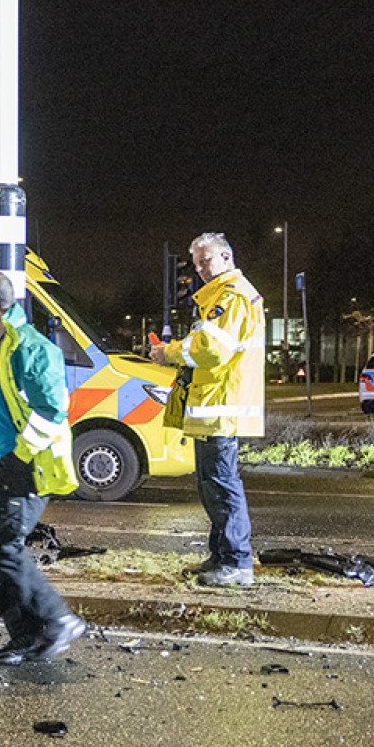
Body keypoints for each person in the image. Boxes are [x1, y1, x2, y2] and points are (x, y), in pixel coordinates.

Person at [0, 272, 86, 666]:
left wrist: (19, 456)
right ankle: (26, 638)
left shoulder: (30, 348)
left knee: (3, 550)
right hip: (4, 464)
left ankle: (57, 620)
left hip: (27, 467)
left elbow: (53, 410)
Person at [149, 232, 265, 587]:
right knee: (213, 486)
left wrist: (168, 353)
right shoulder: (222, 297)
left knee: (222, 486)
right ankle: (221, 556)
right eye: (196, 263)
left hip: (221, 406)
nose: (199, 269)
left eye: (206, 260)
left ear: (226, 256)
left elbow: (211, 350)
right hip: (215, 405)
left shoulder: (230, 297)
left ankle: (236, 563)